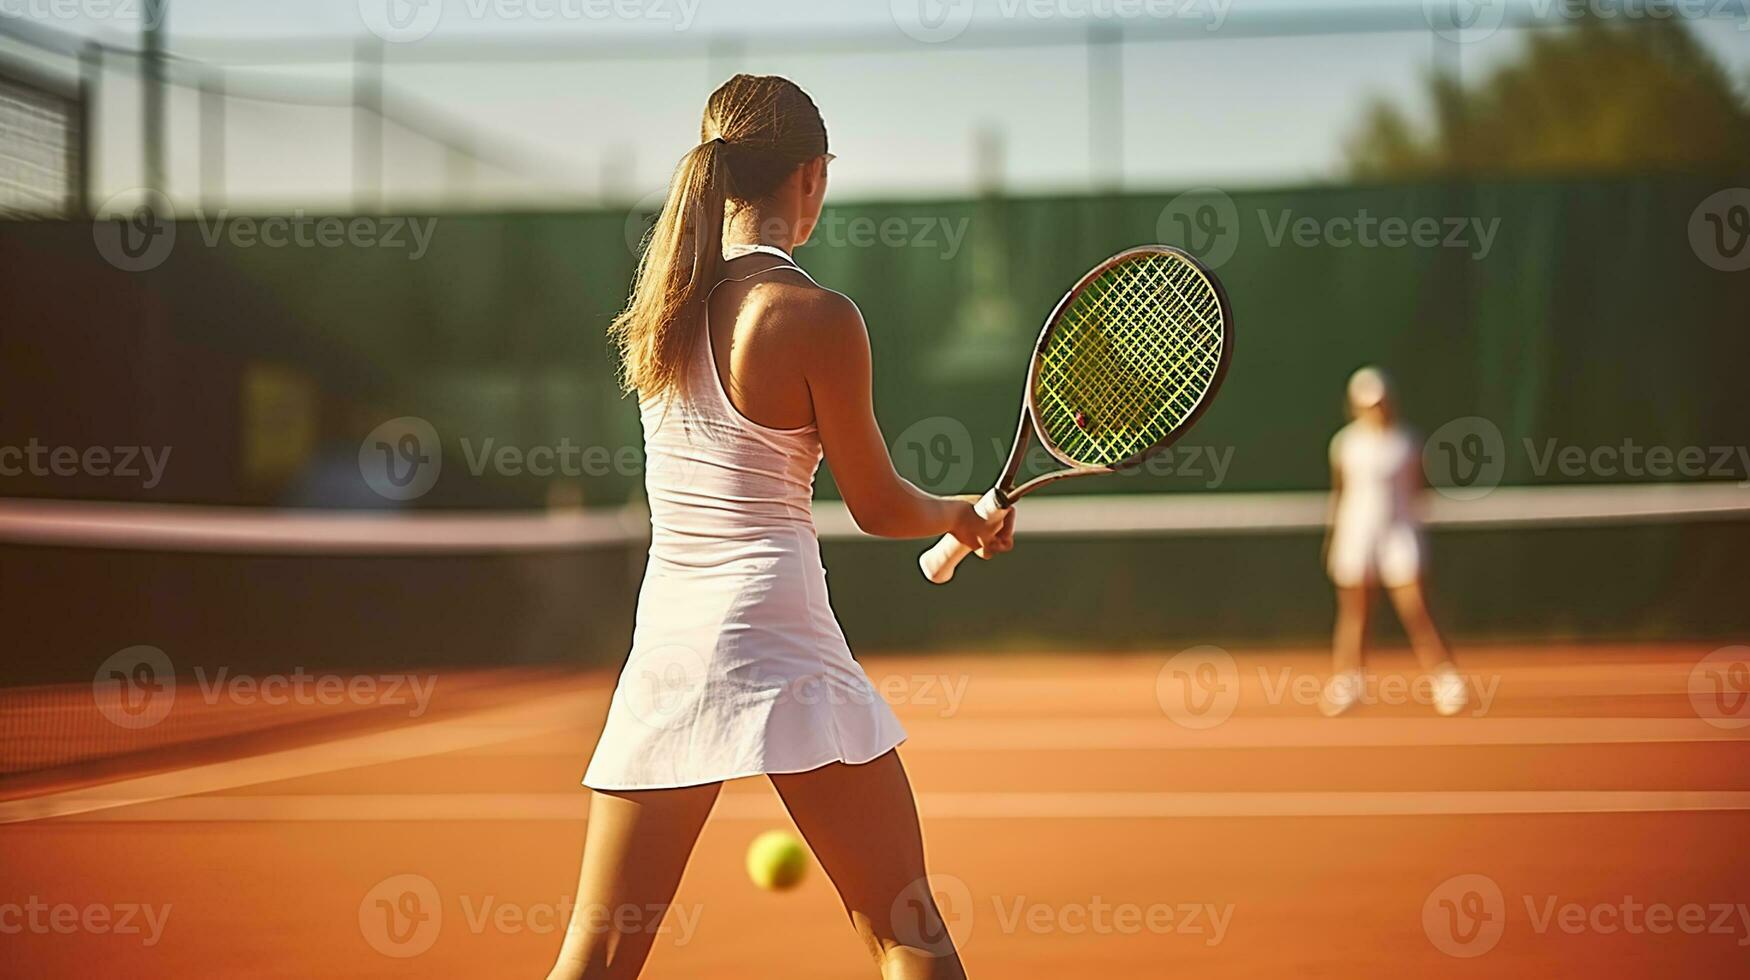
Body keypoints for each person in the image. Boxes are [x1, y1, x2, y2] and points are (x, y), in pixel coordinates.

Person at [546, 74, 1012, 980]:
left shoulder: (662, 314)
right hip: (779, 631)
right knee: (906, 932)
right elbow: (877, 505)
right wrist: (956, 514)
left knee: (598, 955)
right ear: (811, 178)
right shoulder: (818, 316)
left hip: (669, 638)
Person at [1319, 367, 1467, 718]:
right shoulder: (1345, 444)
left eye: (1382, 403)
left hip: (1400, 536)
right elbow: (1339, 493)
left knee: (1417, 608)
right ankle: (1350, 682)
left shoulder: (1408, 443)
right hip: (1356, 536)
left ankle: (1445, 681)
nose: (1377, 409)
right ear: (1355, 406)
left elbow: (1420, 492)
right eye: (1369, 404)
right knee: (1356, 613)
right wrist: (1334, 537)